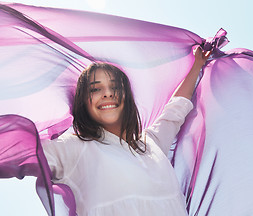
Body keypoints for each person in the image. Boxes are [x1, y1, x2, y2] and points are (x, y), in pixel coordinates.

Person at [41, 46, 211, 216]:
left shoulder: (151, 143)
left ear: (127, 98)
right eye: (95, 89)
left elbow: (176, 109)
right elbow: (24, 152)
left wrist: (197, 65)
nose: (107, 94)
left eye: (115, 87)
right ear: (83, 102)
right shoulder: (72, 147)